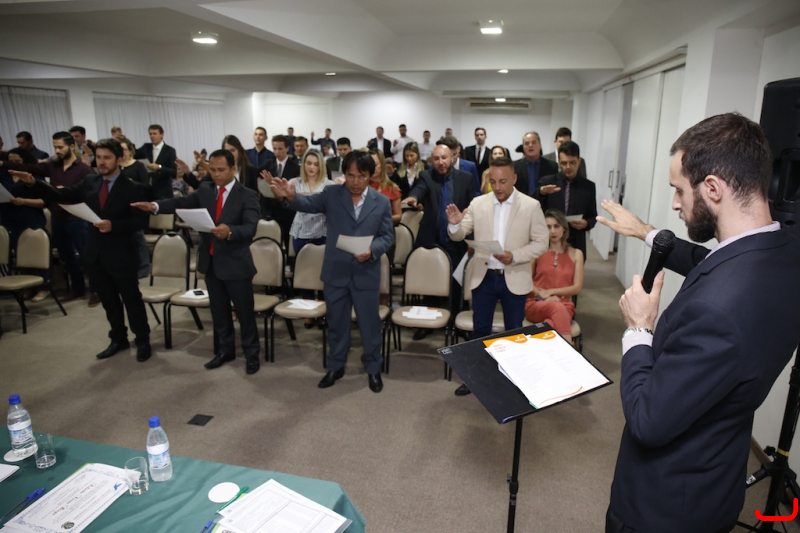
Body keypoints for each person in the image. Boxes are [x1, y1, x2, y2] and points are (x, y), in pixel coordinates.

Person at [595, 113, 800, 533]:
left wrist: (639, 330)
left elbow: (647, 421)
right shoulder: (782, 253)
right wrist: (647, 233)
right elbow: (717, 263)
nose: (675, 203)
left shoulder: (717, 312)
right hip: (716, 483)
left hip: (665, 507)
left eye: (678, 190)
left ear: (712, 188)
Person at [13, 138, 152, 362]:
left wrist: (114, 225)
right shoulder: (90, 181)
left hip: (122, 254)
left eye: (107, 158)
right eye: (99, 157)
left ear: (119, 159)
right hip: (95, 253)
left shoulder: (132, 187)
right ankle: (118, 338)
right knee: (109, 301)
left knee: (131, 300)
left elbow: (141, 221)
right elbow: (61, 195)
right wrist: (33, 183)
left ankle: (143, 340)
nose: (102, 162)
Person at [269, 151, 394, 393]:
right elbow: (308, 204)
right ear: (344, 174)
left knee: (369, 325)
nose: (355, 182)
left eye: (362, 176)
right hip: (336, 271)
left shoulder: (381, 201)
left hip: (366, 273)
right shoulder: (332, 194)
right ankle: (336, 366)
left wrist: (372, 250)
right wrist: (290, 196)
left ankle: (373, 368)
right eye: (351, 176)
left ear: (370, 176)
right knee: (337, 324)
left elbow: (387, 236)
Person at [133, 149, 261, 374]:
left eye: (221, 170)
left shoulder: (247, 195)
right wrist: (156, 206)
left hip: (236, 264)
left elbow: (250, 228)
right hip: (211, 262)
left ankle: (252, 354)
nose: (216, 174)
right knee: (219, 312)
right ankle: (226, 350)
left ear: (233, 169)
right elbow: (182, 202)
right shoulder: (206, 189)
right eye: (213, 170)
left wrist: (230, 231)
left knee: (244, 313)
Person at [446, 157, 549, 396]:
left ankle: (514, 379)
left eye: (503, 181)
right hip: (484, 276)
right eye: (493, 182)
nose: (498, 187)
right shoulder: (478, 203)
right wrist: (455, 225)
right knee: (480, 330)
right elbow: (460, 234)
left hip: (515, 276)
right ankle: (477, 379)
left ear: (514, 178)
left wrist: (515, 255)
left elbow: (541, 243)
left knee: (514, 331)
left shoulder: (531, 205)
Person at [0, 131, 94, 303]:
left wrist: (66, 191)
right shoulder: (52, 166)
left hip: (77, 219)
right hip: (58, 217)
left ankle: (96, 291)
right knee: (67, 258)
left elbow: (90, 194)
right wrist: (3, 163)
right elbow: (30, 167)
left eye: (60, 147)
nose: (57, 151)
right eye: (55, 147)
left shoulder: (84, 169)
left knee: (87, 257)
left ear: (71, 146)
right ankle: (78, 289)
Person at [403, 143, 475, 340]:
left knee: (458, 284)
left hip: (458, 240)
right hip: (431, 239)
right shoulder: (426, 176)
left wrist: (470, 237)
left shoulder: (466, 178)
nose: (441, 162)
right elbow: (419, 189)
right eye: (436, 159)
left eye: (444, 158)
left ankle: (458, 322)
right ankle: (428, 322)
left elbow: (472, 207)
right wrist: (413, 197)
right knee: (429, 283)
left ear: (452, 157)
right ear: (431, 161)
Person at [287, 149, 334, 327]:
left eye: (316, 164)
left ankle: (322, 311)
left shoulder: (329, 185)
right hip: (301, 232)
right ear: (303, 164)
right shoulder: (294, 183)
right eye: (308, 163)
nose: (312, 167)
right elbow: (283, 199)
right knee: (305, 274)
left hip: (322, 232)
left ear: (321, 166)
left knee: (322, 275)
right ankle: (308, 311)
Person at [524, 209, 584, 343]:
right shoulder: (537, 252)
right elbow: (526, 280)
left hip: (564, 305)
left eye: (556, 226)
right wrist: (542, 295)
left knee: (549, 325)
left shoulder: (576, 254)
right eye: (548, 227)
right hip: (537, 303)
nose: (552, 231)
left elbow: (577, 287)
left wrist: (550, 292)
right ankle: (569, 349)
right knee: (555, 308)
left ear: (564, 228)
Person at [0, 148, 51, 302]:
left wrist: (24, 201)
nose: (13, 164)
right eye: (11, 161)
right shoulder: (4, 175)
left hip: (30, 218)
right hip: (9, 219)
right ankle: (28, 287)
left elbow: (45, 201)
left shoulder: (33, 176)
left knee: (36, 254)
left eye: (17, 161)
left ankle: (44, 287)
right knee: (21, 255)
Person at [538, 141, 597, 261]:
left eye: (572, 163)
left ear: (579, 161)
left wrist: (586, 223)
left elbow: (592, 216)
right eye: (564, 163)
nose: (568, 167)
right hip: (550, 240)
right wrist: (542, 192)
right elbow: (534, 207)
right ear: (559, 161)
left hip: (576, 240)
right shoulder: (547, 183)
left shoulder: (588, 187)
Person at [118, 136, 151, 279]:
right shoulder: (116, 166)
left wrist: (132, 182)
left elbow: (146, 186)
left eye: (124, 149)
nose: (122, 152)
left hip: (136, 206)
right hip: (120, 207)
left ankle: (143, 268)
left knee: (138, 238)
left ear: (130, 151)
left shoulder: (138, 166)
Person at [261, 135, 300, 248]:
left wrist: (272, 182)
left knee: (287, 241)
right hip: (269, 208)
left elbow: (293, 189)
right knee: (269, 242)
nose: (277, 152)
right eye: (274, 148)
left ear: (287, 148)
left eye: (280, 149)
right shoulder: (267, 164)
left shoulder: (295, 167)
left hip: (286, 210)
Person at [134, 124, 177, 200]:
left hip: (163, 191)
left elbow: (173, 171)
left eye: (155, 134)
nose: (152, 136)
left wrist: (159, 167)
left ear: (161, 134)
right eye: (150, 134)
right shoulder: (146, 147)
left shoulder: (170, 150)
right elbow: (133, 154)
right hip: (148, 191)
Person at [514, 132, 559, 198]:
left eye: (534, 142)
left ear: (540, 146)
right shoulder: (514, 166)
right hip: (520, 202)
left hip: (543, 203)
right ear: (523, 147)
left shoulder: (552, 166)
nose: (530, 145)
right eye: (527, 143)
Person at [368, 149, 401, 224]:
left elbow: (398, 216)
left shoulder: (392, 188)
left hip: (385, 227)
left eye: (376, 165)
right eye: (369, 165)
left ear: (382, 165)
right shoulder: (361, 187)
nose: (372, 168)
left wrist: (381, 218)